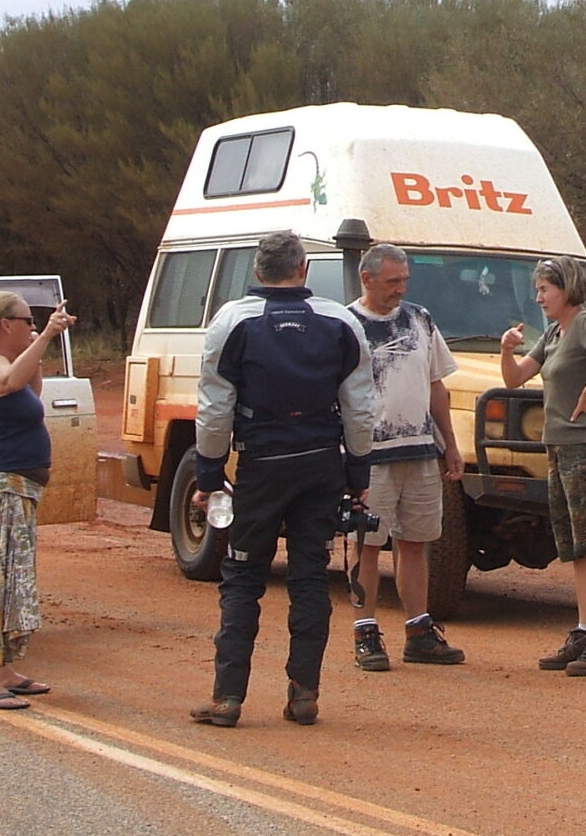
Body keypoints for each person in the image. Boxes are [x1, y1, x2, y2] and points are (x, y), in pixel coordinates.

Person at [189, 230, 376, 727]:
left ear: (257, 270)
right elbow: (360, 406)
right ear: (304, 269)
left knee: (244, 575)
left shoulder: (232, 320)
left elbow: (213, 408)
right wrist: (359, 470)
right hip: (321, 461)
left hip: (262, 463)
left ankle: (228, 697)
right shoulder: (339, 320)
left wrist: (209, 472)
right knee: (311, 577)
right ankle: (304, 693)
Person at [498, 256, 586, 676]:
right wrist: (505, 351)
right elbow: (515, 379)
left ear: (566, 289)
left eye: (544, 290)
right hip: (559, 448)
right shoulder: (554, 333)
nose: (538, 298)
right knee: (575, 546)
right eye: (537, 290)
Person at [344, 243, 467, 671]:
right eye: (392, 281)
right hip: (369, 455)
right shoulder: (347, 324)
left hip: (418, 450)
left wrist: (449, 443)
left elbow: (437, 385)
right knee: (367, 543)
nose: (400, 288)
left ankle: (418, 630)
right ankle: (365, 632)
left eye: (404, 281)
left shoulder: (420, 318)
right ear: (368, 278)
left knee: (416, 541)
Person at [0, 289, 75, 708]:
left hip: (18, 488)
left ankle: (3, 668)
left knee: (14, 580)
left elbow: (30, 386)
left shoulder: (8, 362)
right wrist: (46, 335)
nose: (33, 326)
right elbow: (9, 380)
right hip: (1, 487)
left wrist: (39, 343)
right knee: (0, 582)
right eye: (27, 321)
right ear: (5, 325)